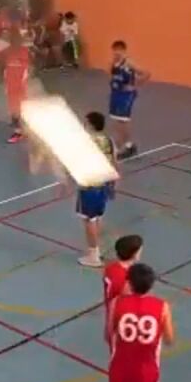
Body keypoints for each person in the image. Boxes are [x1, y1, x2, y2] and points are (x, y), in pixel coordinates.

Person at [100, 234, 144, 382]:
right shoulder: (127, 281)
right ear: (134, 253)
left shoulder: (112, 269)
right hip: (123, 330)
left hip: (117, 327)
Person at [77, 112, 120, 267]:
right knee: (97, 217)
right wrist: (113, 184)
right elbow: (114, 162)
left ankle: (93, 255)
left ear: (90, 125)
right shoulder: (109, 140)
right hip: (104, 184)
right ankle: (97, 248)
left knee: (89, 220)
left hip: (90, 186)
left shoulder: (86, 143)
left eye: (85, 122)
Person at [109, 40, 150, 160]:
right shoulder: (113, 62)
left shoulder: (129, 63)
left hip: (126, 95)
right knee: (117, 121)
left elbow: (146, 73)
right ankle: (128, 145)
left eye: (119, 50)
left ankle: (125, 147)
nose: (116, 53)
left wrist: (134, 86)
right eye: (114, 50)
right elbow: (112, 75)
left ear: (123, 50)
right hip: (115, 94)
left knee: (123, 121)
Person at [3, 33, 31, 143]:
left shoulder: (23, 51)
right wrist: (6, 85)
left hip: (19, 86)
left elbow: (25, 71)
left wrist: (21, 86)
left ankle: (19, 132)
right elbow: (6, 70)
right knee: (13, 109)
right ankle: (19, 128)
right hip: (11, 85)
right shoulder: (8, 51)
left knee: (19, 108)